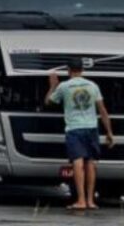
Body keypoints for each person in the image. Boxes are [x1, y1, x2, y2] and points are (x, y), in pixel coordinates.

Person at [45, 57, 115, 211]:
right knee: (90, 163)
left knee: (77, 163)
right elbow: (102, 110)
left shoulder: (64, 87)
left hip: (74, 129)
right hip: (92, 128)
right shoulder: (93, 86)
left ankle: (81, 200)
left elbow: (48, 102)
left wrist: (52, 86)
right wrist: (109, 132)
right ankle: (91, 201)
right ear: (82, 70)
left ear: (69, 70)